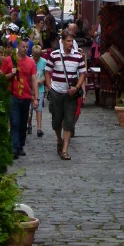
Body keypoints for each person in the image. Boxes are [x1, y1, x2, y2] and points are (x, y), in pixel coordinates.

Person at [44, 33, 85, 161]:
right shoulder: (54, 55)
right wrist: (50, 88)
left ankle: (65, 150)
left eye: (71, 41)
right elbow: (47, 71)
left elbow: (83, 73)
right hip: (56, 92)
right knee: (56, 121)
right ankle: (59, 139)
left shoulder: (78, 56)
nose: (70, 43)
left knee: (69, 121)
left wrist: (77, 87)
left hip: (70, 94)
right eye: (68, 41)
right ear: (62, 42)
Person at [0, 41, 38, 159]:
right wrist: (10, 75)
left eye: (27, 47)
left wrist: (36, 97)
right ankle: (14, 147)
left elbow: (34, 80)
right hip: (13, 95)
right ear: (18, 47)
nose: (25, 49)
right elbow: (0, 76)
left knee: (23, 123)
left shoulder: (31, 62)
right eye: (23, 46)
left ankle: (20, 145)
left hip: (26, 96)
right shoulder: (8, 60)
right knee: (14, 122)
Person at [31, 44, 47, 137]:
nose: (36, 58)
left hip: (40, 89)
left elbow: (46, 74)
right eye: (34, 56)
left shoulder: (44, 62)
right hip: (30, 88)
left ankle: (39, 128)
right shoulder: (29, 61)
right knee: (30, 110)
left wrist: (42, 80)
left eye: (38, 56)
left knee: (38, 108)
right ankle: (28, 125)